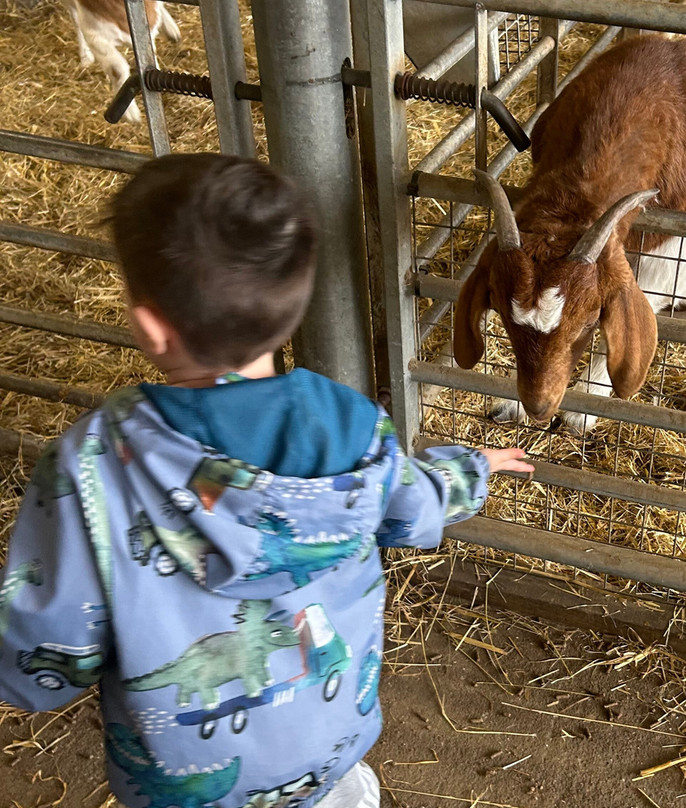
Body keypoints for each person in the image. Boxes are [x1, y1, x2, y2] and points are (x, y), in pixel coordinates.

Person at [0, 153, 532, 808]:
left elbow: (50, 642)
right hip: (330, 747)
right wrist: (470, 472)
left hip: (184, 785)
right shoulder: (353, 425)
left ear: (150, 329)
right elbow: (410, 506)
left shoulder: (95, 462)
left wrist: (20, 677)